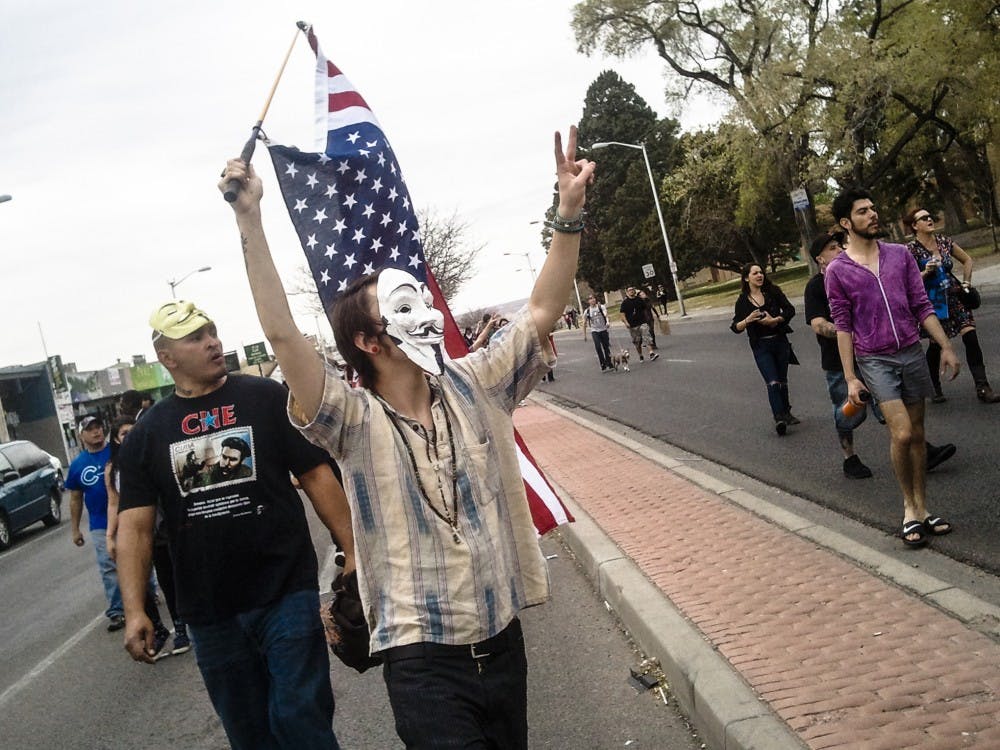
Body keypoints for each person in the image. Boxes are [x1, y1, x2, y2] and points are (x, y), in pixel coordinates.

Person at [219, 126, 594, 749]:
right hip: (424, 667)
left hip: (503, 644)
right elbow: (283, 335)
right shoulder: (351, 421)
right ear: (368, 341)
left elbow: (541, 311)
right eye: (403, 308)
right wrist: (250, 221)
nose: (427, 314)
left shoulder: (477, 383)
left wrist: (569, 213)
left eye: (421, 300)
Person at [115, 300, 353, 750]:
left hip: (284, 589)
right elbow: (135, 529)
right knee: (249, 734)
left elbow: (315, 475)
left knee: (299, 717)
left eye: (212, 332)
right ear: (167, 357)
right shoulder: (148, 433)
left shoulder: (265, 399)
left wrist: (353, 549)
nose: (213, 342)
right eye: (196, 338)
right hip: (210, 612)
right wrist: (135, 611)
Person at [825, 187, 959, 548]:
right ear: (846, 223)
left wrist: (945, 346)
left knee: (917, 434)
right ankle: (908, 509)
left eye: (873, 208)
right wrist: (850, 377)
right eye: (863, 211)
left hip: (911, 351)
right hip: (875, 359)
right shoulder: (838, 271)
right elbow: (843, 326)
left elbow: (921, 305)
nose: (873, 215)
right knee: (901, 434)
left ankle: (923, 508)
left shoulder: (900, 255)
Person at [806, 233, 957, 479]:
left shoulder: (857, 273)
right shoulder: (815, 287)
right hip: (839, 361)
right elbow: (817, 323)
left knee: (889, 408)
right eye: (832, 248)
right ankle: (849, 457)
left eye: (839, 245)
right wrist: (847, 332)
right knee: (847, 413)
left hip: (874, 355)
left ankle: (919, 449)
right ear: (819, 259)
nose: (839, 250)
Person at [905, 207, 1000, 404]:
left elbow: (967, 259)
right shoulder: (910, 250)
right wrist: (925, 272)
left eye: (930, 216)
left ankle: (983, 386)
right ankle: (934, 386)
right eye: (924, 218)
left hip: (955, 297)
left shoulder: (944, 241)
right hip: (933, 302)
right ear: (915, 226)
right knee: (935, 344)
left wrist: (966, 283)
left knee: (970, 336)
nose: (929, 219)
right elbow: (908, 281)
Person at [104, 415, 172, 659]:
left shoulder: (148, 455)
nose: (129, 437)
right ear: (116, 439)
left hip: (158, 526)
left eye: (133, 431)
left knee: (168, 576)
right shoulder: (112, 468)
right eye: (124, 433)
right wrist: (110, 535)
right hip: (131, 529)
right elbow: (114, 503)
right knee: (138, 581)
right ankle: (156, 627)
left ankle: (181, 626)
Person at [66, 415, 124, 631]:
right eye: (90, 429)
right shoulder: (77, 465)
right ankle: (117, 610)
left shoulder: (116, 452)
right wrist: (75, 529)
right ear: (81, 435)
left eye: (98, 427)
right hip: (99, 522)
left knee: (136, 558)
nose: (96, 431)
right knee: (108, 566)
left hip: (126, 516)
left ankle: (148, 593)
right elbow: (75, 498)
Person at [730, 263, 799, 435]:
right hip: (761, 346)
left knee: (782, 380)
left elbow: (790, 310)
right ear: (746, 278)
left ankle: (786, 412)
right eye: (755, 273)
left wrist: (776, 320)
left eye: (761, 272)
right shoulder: (743, 301)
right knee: (772, 381)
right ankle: (779, 418)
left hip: (780, 341)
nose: (759, 275)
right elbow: (735, 327)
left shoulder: (773, 292)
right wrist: (748, 320)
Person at [619, 286, 659, 362]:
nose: (631, 291)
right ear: (627, 292)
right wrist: (626, 323)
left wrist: (648, 318)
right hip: (632, 325)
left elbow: (645, 309)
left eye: (632, 290)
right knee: (637, 342)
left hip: (642, 322)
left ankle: (651, 353)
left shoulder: (639, 300)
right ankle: (640, 355)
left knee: (647, 336)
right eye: (629, 290)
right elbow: (622, 314)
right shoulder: (625, 302)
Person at [582, 293, 612, 371]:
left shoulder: (601, 307)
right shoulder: (587, 311)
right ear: (588, 301)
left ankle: (609, 362)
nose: (592, 300)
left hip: (603, 329)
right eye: (590, 299)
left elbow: (606, 315)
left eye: (593, 298)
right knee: (598, 347)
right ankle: (603, 363)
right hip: (595, 331)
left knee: (606, 346)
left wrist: (607, 322)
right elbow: (584, 323)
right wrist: (584, 335)